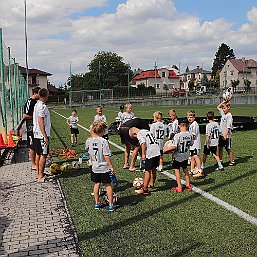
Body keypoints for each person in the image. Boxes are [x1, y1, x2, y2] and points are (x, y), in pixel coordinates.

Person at [87, 120, 115, 212]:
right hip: (103, 167)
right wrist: (111, 166)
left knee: (96, 184)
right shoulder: (104, 141)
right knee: (108, 185)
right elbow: (106, 156)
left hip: (94, 166)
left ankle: (97, 203)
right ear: (102, 131)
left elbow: (90, 154)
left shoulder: (89, 141)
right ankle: (111, 204)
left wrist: (91, 162)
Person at [164, 119, 193, 193]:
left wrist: (166, 150)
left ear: (179, 125)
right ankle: (188, 184)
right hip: (186, 155)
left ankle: (179, 187)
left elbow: (174, 147)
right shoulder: (190, 134)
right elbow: (191, 144)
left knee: (177, 171)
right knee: (185, 169)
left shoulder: (177, 135)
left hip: (178, 156)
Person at [129, 127, 160, 194]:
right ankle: (152, 183)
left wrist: (143, 154)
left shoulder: (139, 134)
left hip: (150, 151)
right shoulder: (146, 131)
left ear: (134, 134)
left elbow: (143, 143)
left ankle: (144, 189)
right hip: (157, 149)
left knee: (147, 170)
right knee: (153, 168)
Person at [196, 111, 224, 178]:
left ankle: (202, 166)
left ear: (207, 118)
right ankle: (220, 165)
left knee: (205, 154)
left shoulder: (208, 125)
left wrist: (207, 143)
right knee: (214, 154)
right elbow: (220, 132)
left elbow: (208, 136)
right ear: (213, 117)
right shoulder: (217, 124)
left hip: (210, 142)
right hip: (215, 142)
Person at [33, 88, 51, 183]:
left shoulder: (37, 104)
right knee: (43, 155)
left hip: (36, 133)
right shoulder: (42, 107)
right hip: (41, 135)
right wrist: (45, 136)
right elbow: (40, 120)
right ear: (45, 96)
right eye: (48, 94)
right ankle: (40, 176)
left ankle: (38, 173)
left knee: (38, 154)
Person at [23, 86, 41, 170]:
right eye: (39, 93)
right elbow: (25, 116)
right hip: (31, 128)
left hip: (37, 127)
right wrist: (35, 117)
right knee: (32, 146)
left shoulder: (36, 102)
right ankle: (33, 164)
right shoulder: (30, 102)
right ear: (35, 93)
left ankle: (37, 162)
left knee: (36, 144)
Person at [217, 101, 235, 166]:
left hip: (227, 136)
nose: (223, 109)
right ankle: (220, 161)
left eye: (224, 108)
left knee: (228, 148)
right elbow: (218, 107)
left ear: (228, 107)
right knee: (220, 147)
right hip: (222, 135)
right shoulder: (223, 114)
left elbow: (228, 127)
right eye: (223, 108)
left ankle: (232, 160)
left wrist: (225, 135)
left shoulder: (229, 116)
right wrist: (224, 101)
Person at [187, 110, 202, 176]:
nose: (189, 118)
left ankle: (199, 170)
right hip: (192, 145)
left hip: (195, 144)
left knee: (196, 157)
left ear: (194, 117)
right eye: (188, 117)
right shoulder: (191, 125)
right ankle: (192, 170)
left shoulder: (195, 124)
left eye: (191, 117)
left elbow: (193, 135)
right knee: (192, 157)